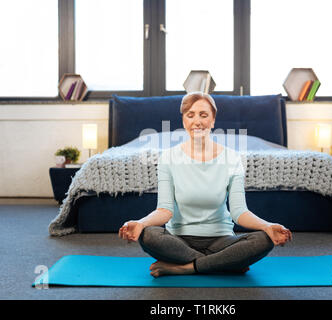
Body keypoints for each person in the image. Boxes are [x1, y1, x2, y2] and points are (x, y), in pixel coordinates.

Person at [118, 92, 292, 277]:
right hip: (178, 241)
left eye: (203, 115)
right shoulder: (168, 157)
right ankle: (225, 263)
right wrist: (140, 223)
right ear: (184, 121)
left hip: (221, 239)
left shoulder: (232, 158)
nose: (197, 121)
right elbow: (165, 210)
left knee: (264, 240)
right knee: (149, 235)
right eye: (190, 115)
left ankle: (185, 267)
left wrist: (267, 226)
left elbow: (239, 212)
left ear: (213, 121)